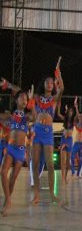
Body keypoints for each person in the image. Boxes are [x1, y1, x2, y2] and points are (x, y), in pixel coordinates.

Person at [2, 59, 64, 204]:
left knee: (50, 164)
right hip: (37, 131)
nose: (49, 83)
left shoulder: (54, 99)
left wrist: (58, 75)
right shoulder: (36, 98)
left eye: (51, 82)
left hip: (48, 133)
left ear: (53, 85)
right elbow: (20, 92)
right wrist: (8, 85)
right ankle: (36, 194)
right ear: (43, 85)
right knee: (35, 165)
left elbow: (62, 89)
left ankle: (52, 195)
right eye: (47, 82)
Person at [0, 87, 34, 215]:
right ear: (16, 100)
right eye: (22, 97)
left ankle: (6, 202)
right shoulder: (11, 115)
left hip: (20, 151)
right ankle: (8, 200)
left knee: (13, 179)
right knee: (3, 172)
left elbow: (36, 117)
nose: (24, 99)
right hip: (10, 148)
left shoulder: (27, 116)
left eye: (26, 98)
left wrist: (32, 103)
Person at [57, 102, 75, 184]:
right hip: (63, 140)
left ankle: (65, 177)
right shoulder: (64, 119)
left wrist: (76, 106)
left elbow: (78, 116)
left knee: (68, 162)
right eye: (69, 112)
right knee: (63, 162)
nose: (71, 113)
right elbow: (58, 113)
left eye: (72, 112)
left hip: (70, 141)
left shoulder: (73, 121)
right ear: (67, 112)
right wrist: (59, 106)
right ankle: (63, 179)